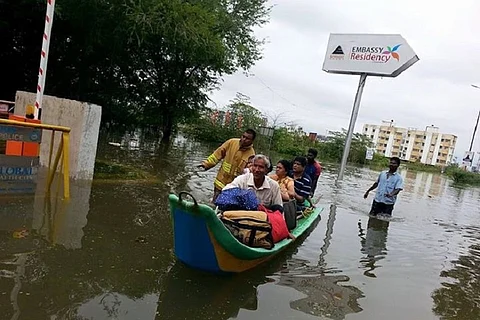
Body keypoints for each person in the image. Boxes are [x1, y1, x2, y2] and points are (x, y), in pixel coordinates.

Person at [198, 129, 256, 202]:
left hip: (234, 185)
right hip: (221, 179)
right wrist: (206, 164)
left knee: (226, 205)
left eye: (247, 138)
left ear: (252, 141)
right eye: (243, 136)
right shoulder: (231, 142)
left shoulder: (251, 154)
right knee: (215, 200)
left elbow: (248, 174)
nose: (244, 139)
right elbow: (217, 154)